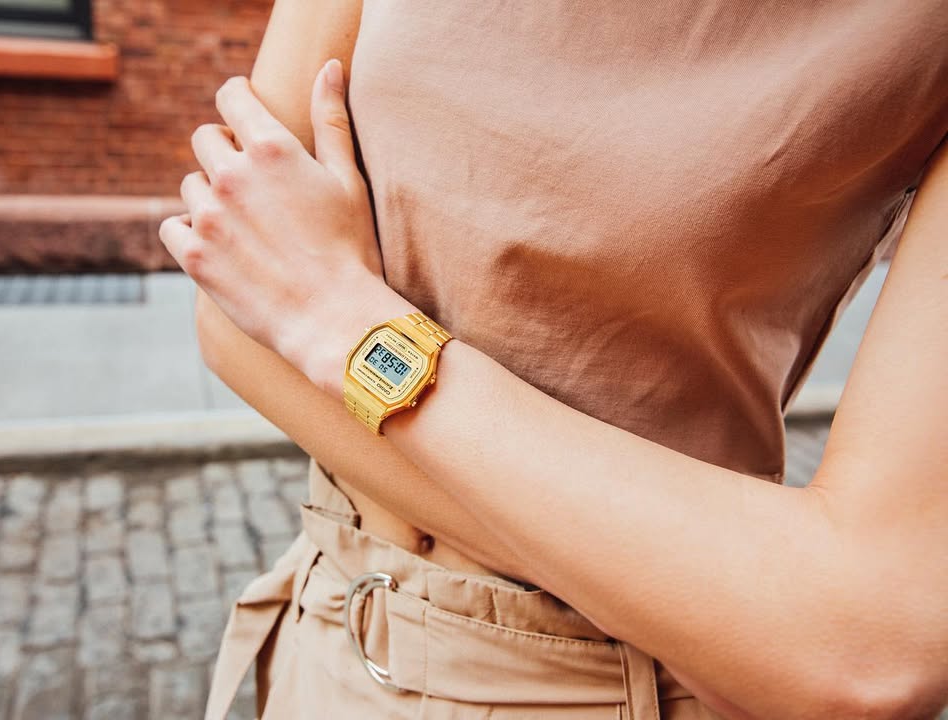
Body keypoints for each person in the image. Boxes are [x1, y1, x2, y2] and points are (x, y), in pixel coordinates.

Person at [161, 1, 948, 718]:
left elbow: (867, 646)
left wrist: (342, 321)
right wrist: (714, 607)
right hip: (328, 646)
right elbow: (236, 302)